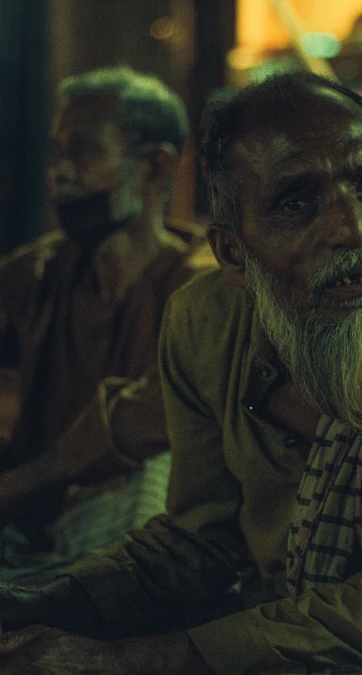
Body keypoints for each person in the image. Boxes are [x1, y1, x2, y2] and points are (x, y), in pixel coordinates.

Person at [0, 71, 362, 674]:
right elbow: (197, 545)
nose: (352, 228)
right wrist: (35, 601)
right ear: (233, 253)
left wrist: (122, 661)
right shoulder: (204, 322)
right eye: (297, 202)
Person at [0, 65, 206, 566]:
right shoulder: (40, 272)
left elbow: (155, 419)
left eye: (86, 150)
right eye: (58, 152)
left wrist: (16, 488)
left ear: (155, 167)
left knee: (152, 476)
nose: (61, 171)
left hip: (128, 538)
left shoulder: (205, 287)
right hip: (29, 531)